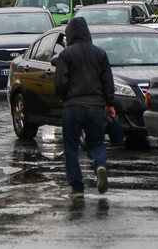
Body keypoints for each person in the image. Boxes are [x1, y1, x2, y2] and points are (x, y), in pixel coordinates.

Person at [54, 17, 116, 198]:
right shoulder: (100, 54)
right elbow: (107, 81)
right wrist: (110, 103)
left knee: (71, 148)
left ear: (70, 34)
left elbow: (60, 83)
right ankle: (100, 166)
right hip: (96, 107)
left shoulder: (65, 55)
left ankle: (77, 188)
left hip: (72, 107)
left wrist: (63, 97)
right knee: (97, 143)